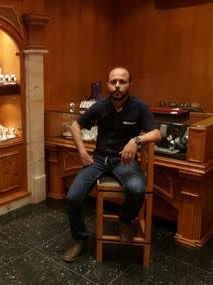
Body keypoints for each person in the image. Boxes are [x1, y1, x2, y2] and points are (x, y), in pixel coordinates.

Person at [62, 67, 161, 262]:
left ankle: (124, 220)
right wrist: (82, 152)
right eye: (113, 81)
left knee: (136, 189)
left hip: (124, 160)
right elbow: (75, 126)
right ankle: (81, 240)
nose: (117, 86)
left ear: (129, 85)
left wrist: (136, 141)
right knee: (72, 197)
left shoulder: (139, 107)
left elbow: (157, 134)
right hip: (98, 159)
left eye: (122, 82)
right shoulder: (101, 105)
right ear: (107, 84)